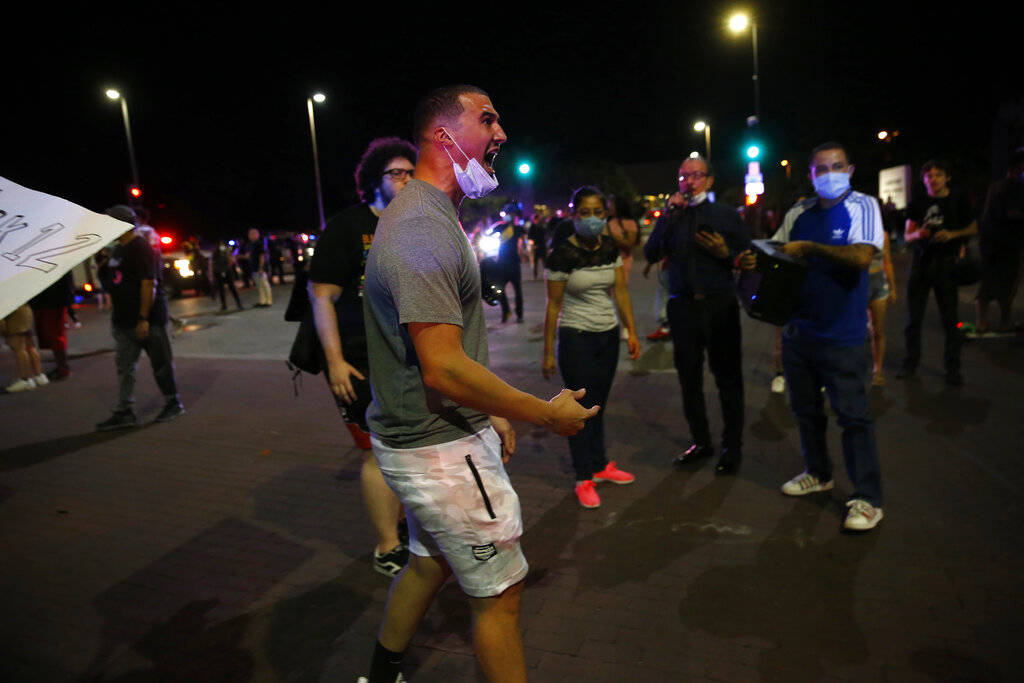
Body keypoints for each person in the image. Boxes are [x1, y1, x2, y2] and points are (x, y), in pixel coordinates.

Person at [358, 84, 597, 683]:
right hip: (438, 449)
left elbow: (447, 353)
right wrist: (545, 414)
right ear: (444, 135)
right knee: (501, 596)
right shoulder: (420, 227)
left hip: (435, 436)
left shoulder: (434, 216)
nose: (501, 135)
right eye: (487, 120)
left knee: (428, 562)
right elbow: (441, 367)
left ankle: (382, 669)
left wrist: (490, 412)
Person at [740, 141, 884, 531]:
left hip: (844, 336)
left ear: (850, 170)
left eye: (838, 166)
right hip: (800, 333)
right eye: (822, 168)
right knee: (806, 412)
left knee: (853, 418)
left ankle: (868, 498)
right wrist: (755, 258)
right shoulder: (800, 212)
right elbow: (779, 251)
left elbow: (861, 257)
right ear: (811, 174)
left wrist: (811, 249)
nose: (830, 173)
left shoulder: (863, 206)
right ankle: (818, 473)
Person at [307, 136, 418, 578]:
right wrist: (334, 361)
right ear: (375, 179)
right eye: (397, 172)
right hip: (358, 356)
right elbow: (322, 298)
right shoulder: (346, 227)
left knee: (408, 446)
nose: (407, 179)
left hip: (405, 354)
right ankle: (388, 545)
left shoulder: (412, 226)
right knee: (378, 451)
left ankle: (407, 526)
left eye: (412, 172)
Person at [643, 156, 750, 475]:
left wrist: (725, 255)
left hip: (719, 305)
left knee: (728, 378)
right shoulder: (673, 216)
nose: (688, 182)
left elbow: (747, 259)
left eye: (696, 176)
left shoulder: (726, 215)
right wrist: (667, 216)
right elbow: (651, 253)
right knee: (689, 378)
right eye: (683, 177)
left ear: (710, 180)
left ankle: (732, 447)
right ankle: (701, 441)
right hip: (683, 307)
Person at [543, 186, 641, 508]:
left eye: (598, 212)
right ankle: (583, 475)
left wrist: (632, 331)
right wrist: (547, 351)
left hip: (608, 336)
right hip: (576, 338)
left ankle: (599, 466)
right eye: (584, 212)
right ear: (574, 215)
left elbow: (622, 293)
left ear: (606, 214)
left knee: (600, 404)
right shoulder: (562, 254)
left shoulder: (610, 248)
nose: (592, 219)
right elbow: (553, 305)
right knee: (579, 411)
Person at [95, 205, 185, 430]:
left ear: (122, 224)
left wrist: (143, 318)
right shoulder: (117, 250)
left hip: (148, 320)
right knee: (124, 368)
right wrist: (102, 265)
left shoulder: (141, 247)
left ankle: (173, 402)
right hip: (123, 321)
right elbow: (112, 282)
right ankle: (125, 411)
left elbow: (148, 283)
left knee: (161, 364)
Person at [897, 160, 976, 385]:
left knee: (950, 319)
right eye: (929, 176)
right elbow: (907, 235)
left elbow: (973, 227)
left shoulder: (958, 199)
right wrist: (919, 234)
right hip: (921, 264)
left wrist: (951, 235)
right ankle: (910, 363)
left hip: (947, 265)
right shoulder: (918, 202)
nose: (933, 179)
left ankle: (953, 369)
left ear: (947, 177)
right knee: (913, 319)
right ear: (923, 180)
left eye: (938, 175)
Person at [975, 148, 1024, 335]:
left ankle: (982, 323)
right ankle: (1004, 322)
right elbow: (1012, 213)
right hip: (1009, 243)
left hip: (989, 242)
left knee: (988, 280)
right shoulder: (1016, 186)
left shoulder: (996, 186)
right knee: (1008, 283)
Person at [30, 272, 74, 380]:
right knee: (53, 335)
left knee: (55, 335)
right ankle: (61, 367)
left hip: (52, 301)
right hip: (50, 301)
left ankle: (63, 368)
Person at [868, 231, 897, 386]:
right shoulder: (854, 231)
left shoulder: (883, 235)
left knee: (878, 330)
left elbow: (887, 262)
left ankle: (877, 370)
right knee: (856, 330)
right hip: (858, 283)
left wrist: (893, 288)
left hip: (878, 282)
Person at [2, 304, 48, 392]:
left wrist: (2, 326)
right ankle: (39, 376)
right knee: (30, 346)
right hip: (25, 312)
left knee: (20, 349)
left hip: (13, 316)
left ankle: (25, 380)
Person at [493, 209, 526, 323]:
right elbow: (491, 233)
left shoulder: (518, 229)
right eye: (509, 215)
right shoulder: (501, 227)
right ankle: (506, 311)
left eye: (513, 215)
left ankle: (519, 314)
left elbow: (523, 240)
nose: (511, 217)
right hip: (502, 263)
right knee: (500, 290)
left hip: (513, 263)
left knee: (518, 291)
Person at [606, 195, 639, 279]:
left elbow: (630, 243)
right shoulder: (607, 221)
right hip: (606, 262)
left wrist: (610, 234)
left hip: (622, 261)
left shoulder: (629, 223)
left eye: (611, 205)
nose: (608, 207)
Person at [211, 240, 244, 311]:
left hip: (222, 271)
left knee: (226, 289)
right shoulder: (221, 252)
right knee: (228, 289)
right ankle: (235, 304)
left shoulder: (218, 252)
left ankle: (228, 305)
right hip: (222, 271)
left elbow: (230, 260)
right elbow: (231, 260)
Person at [247, 228, 273, 307]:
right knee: (259, 285)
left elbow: (262, 256)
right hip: (254, 268)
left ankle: (268, 301)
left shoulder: (259, 244)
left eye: (252, 234)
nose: (249, 236)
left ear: (256, 235)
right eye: (249, 234)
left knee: (264, 284)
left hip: (260, 268)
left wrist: (261, 268)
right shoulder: (252, 245)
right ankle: (262, 301)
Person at [527, 207, 549, 280]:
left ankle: (546, 275)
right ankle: (535, 275)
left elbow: (546, 235)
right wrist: (532, 244)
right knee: (535, 262)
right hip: (535, 246)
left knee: (545, 262)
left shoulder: (542, 226)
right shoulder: (532, 227)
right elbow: (529, 237)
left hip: (542, 246)